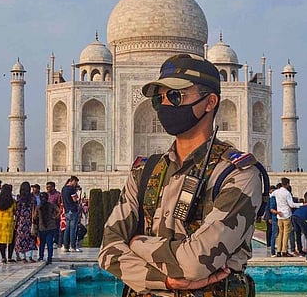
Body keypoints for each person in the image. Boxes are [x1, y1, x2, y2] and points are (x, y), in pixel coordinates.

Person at [99, 54, 263, 296]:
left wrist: (135, 243)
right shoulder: (145, 172)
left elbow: (194, 263)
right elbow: (107, 250)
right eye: (159, 98)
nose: (165, 105)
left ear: (210, 102)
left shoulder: (237, 174)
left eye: (176, 96)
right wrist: (166, 281)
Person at [271, 177, 303, 257]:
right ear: (288, 184)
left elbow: (271, 195)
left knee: (280, 233)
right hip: (286, 215)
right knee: (286, 234)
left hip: (279, 216)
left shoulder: (276, 192)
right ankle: (284, 251)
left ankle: (278, 251)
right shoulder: (287, 193)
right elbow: (291, 205)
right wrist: (302, 204)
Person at [14, 182, 36, 262]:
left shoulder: (19, 198)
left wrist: (16, 222)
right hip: (30, 221)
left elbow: (17, 211)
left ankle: (23, 258)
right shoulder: (32, 198)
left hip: (22, 221)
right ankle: (30, 257)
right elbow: (35, 209)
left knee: (22, 239)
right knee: (31, 238)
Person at [35, 192, 60, 265]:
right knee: (49, 244)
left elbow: (34, 216)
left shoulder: (38, 206)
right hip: (51, 227)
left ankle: (41, 256)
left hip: (42, 227)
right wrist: (54, 217)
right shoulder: (51, 205)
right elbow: (59, 211)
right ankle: (49, 258)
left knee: (42, 243)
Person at [0, 184, 16, 263]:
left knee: (2, 242)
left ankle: (3, 257)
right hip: (9, 224)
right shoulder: (12, 201)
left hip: (0, 223)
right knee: (11, 241)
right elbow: (15, 211)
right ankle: (9, 257)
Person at [61, 176, 81, 253]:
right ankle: (73, 246)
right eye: (76, 182)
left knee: (67, 229)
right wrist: (77, 192)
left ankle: (66, 246)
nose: (76, 184)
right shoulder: (71, 189)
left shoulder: (63, 188)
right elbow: (75, 199)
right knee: (73, 229)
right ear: (72, 181)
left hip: (66, 211)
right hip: (73, 210)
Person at [45, 182, 62, 248]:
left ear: (53, 187)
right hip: (47, 215)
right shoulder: (46, 194)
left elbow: (60, 205)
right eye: (47, 187)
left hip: (55, 215)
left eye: (49, 187)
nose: (47, 189)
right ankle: (48, 242)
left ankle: (55, 242)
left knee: (55, 229)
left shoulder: (58, 195)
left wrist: (58, 214)